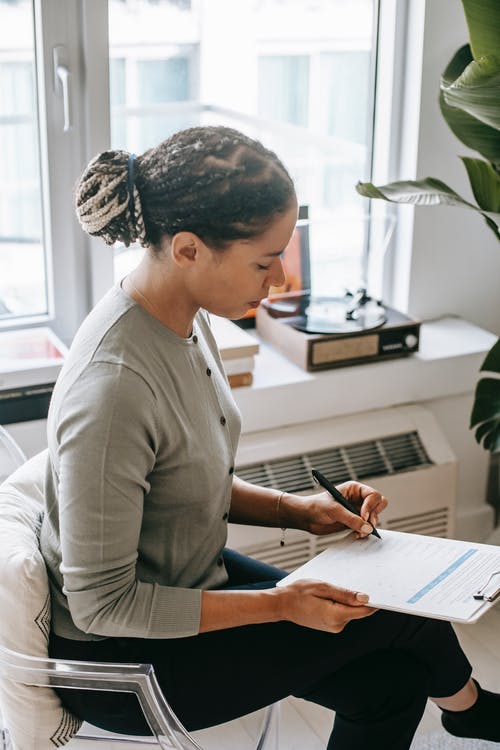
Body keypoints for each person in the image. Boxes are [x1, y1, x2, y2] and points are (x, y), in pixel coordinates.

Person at [40, 125, 500, 750]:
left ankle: (468, 709)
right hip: (124, 663)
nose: (281, 278)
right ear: (187, 250)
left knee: (388, 680)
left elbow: (185, 478)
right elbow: (101, 606)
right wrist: (281, 604)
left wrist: (301, 512)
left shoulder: (180, 319)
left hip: (187, 579)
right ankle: (472, 712)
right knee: (392, 616)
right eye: (264, 260)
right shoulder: (114, 387)